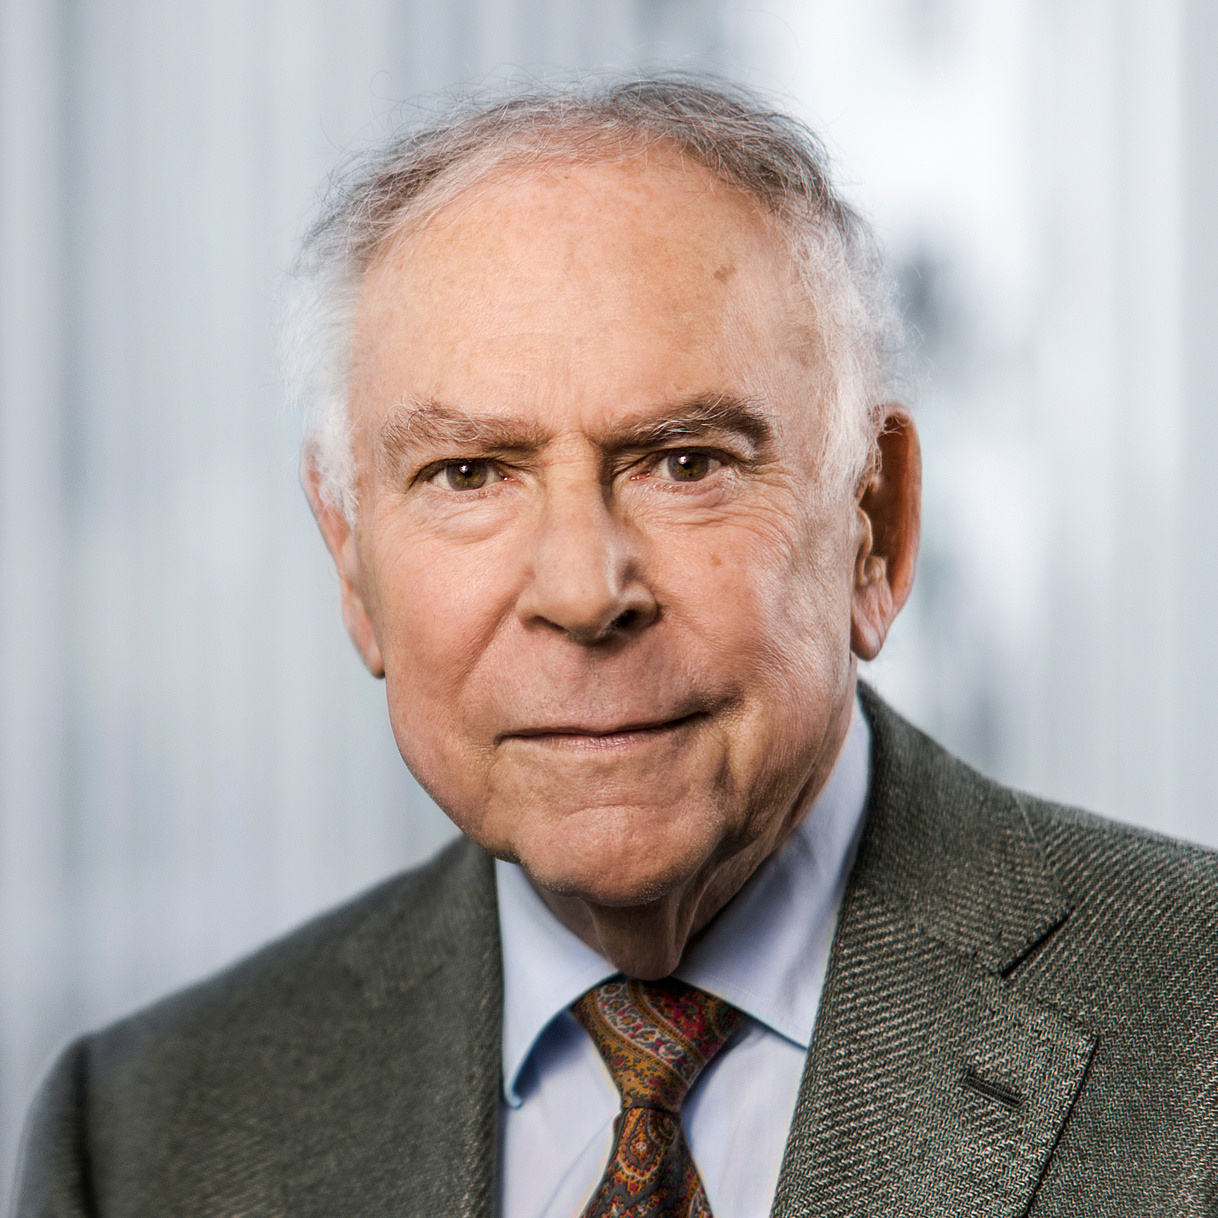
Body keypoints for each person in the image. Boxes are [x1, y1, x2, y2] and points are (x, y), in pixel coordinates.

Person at [12, 76, 1218, 1218]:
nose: (585, 594)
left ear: (875, 527)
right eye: (468, 474)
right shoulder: (143, 1141)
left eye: (685, 463)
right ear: (351, 560)